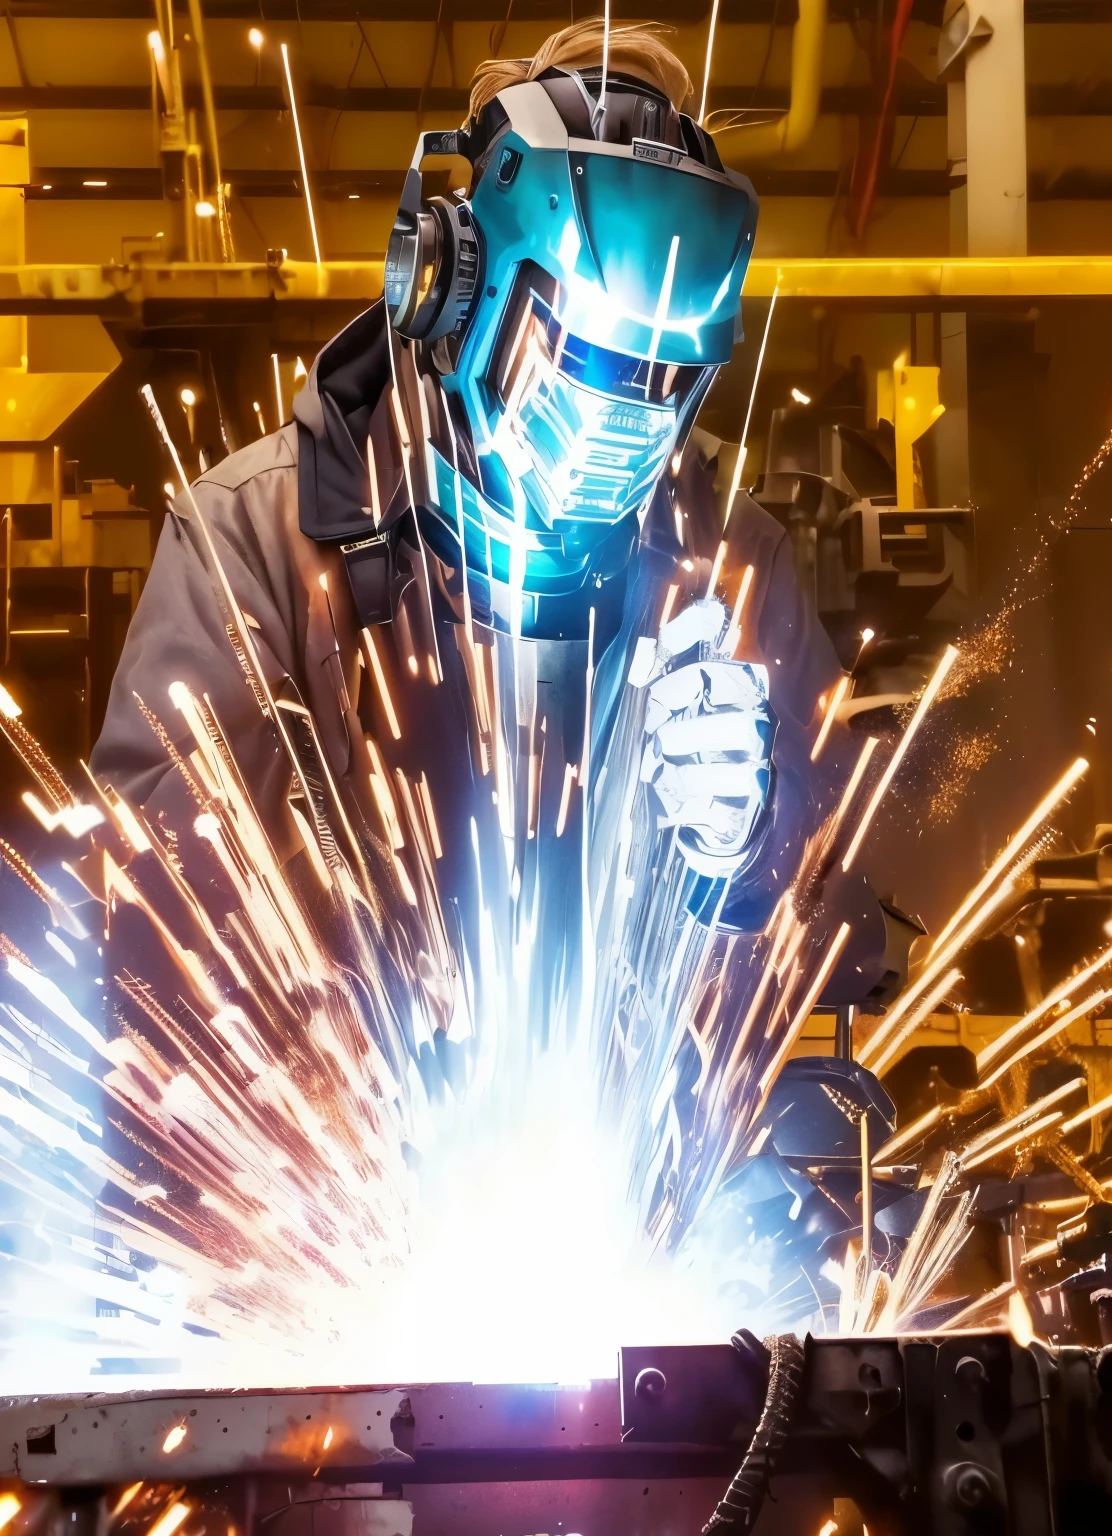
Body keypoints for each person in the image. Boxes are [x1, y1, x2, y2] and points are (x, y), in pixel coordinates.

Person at [90, 21, 885, 1089]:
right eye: (575, 358)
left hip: (637, 1210)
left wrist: (751, 844)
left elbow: (839, 934)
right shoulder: (251, 537)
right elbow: (157, 917)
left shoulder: (731, 568)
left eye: (655, 380)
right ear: (450, 288)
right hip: (341, 1204)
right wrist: (353, 1019)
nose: (611, 425)